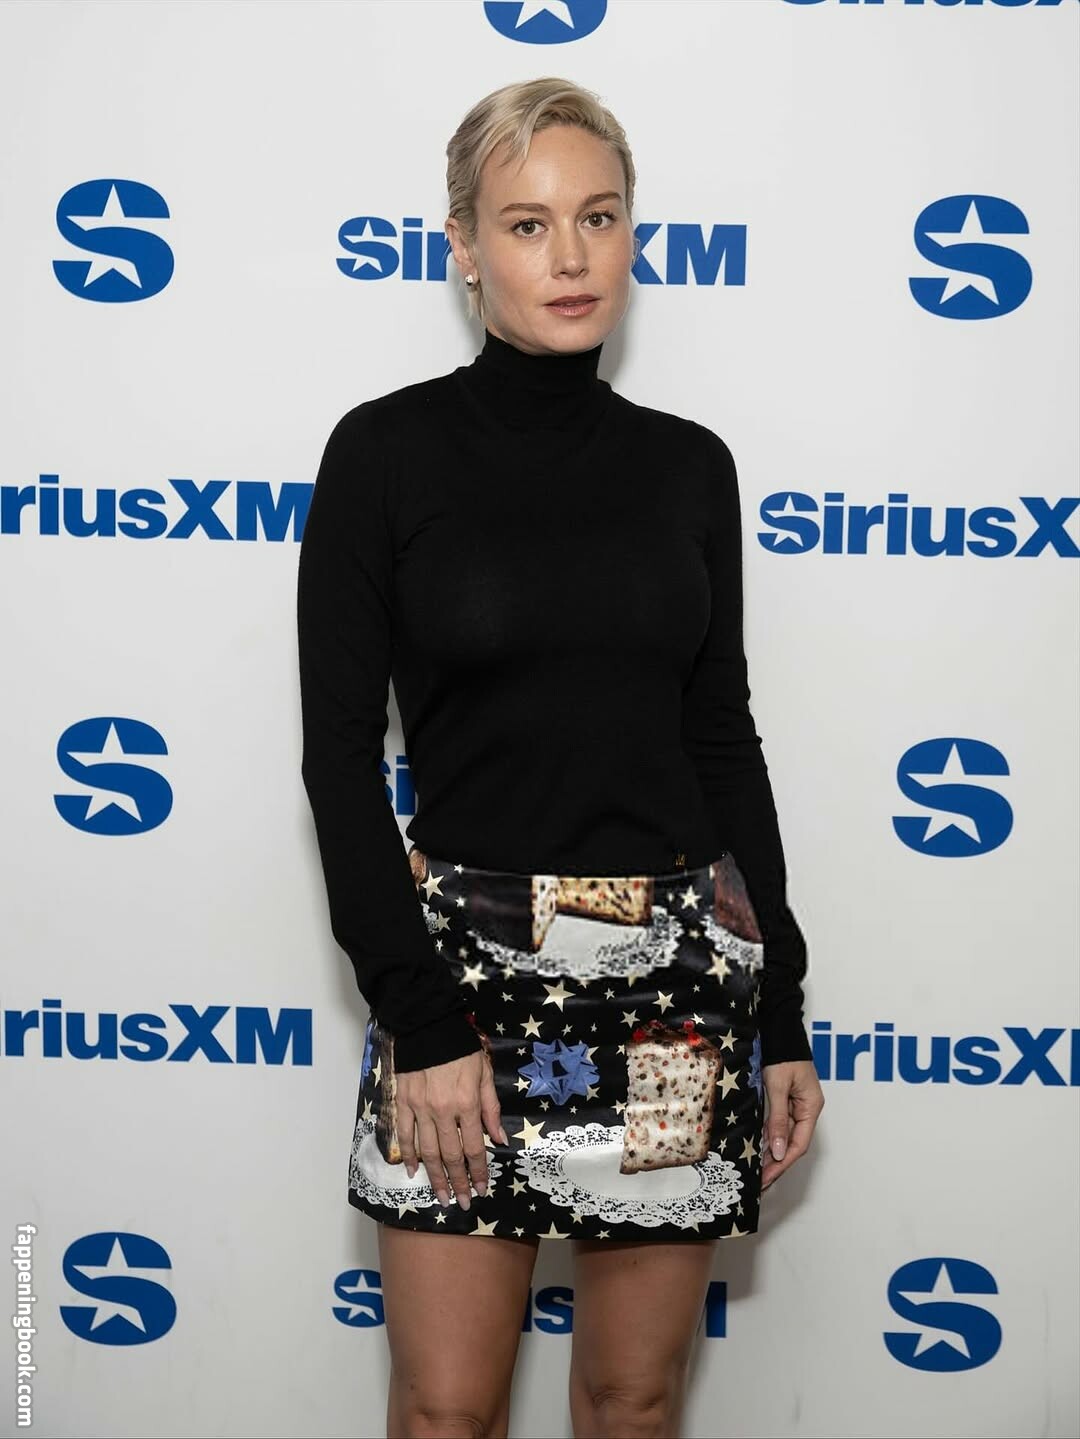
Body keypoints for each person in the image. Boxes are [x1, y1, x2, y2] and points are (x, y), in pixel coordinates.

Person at [298, 76, 824, 1439]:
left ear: (633, 231)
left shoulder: (689, 468)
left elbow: (721, 739)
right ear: (465, 247)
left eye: (600, 216)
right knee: (446, 1412)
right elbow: (338, 763)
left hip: (675, 981)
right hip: (460, 989)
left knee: (634, 1400)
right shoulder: (383, 455)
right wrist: (419, 1020)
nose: (572, 255)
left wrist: (780, 1006)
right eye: (528, 224)